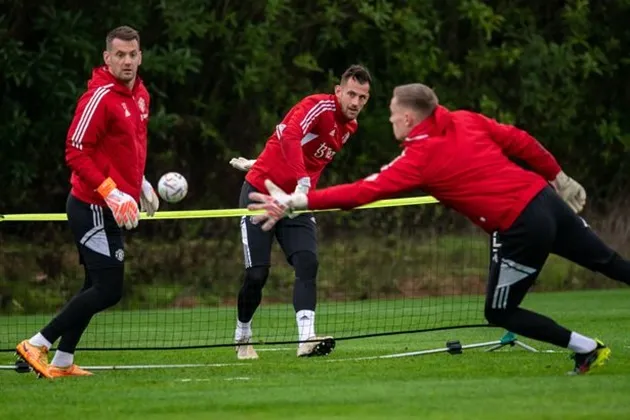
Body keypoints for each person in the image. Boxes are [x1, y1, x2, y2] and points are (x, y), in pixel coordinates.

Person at [247, 83, 630, 374]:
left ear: (410, 117)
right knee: (609, 262)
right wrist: (559, 177)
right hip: (547, 201)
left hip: (520, 227)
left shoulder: (419, 158)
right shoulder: (466, 119)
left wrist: (298, 201)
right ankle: (587, 346)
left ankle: (585, 347)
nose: (390, 119)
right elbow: (521, 141)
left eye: (394, 114)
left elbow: (362, 193)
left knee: (500, 313)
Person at [15, 25, 159, 378]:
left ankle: (63, 360)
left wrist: (139, 182)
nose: (127, 61)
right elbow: (76, 151)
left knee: (93, 284)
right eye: (120, 55)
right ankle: (36, 344)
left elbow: (128, 148)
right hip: (90, 206)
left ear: (140, 56)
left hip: (115, 204)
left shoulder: (141, 96)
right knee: (109, 289)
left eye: (132, 54)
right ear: (107, 58)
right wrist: (111, 191)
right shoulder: (99, 97)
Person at [228, 65, 372, 359]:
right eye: (351, 94)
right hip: (261, 192)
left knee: (308, 262)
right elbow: (290, 134)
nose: (356, 103)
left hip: (296, 202)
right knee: (257, 275)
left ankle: (306, 339)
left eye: (363, 98)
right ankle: (243, 334)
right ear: (338, 91)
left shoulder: (349, 129)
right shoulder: (317, 106)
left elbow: (312, 159)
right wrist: (292, 175)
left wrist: (301, 191)